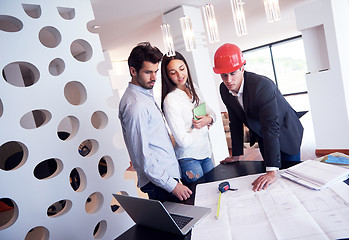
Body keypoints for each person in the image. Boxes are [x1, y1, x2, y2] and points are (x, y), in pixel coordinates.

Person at [212, 43, 304, 191]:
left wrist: (272, 170)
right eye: (224, 75)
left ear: (242, 68)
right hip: (263, 134)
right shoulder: (224, 89)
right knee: (271, 183)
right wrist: (236, 154)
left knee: (291, 177)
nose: (228, 80)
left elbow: (271, 127)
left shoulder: (262, 85)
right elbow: (234, 120)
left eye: (233, 73)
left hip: (286, 132)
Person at [118, 42, 192, 202]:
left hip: (164, 179)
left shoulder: (144, 96)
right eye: (148, 72)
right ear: (133, 71)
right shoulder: (135, 106)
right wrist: (172, 185)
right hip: (161, 184)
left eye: (156, 72)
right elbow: (143, 155)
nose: (154, 78)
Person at [161, 51, 216, 185]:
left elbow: (212, 113)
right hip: (189, 159)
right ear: (167, 75)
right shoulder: (171, 100)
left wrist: (209, 120)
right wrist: (204, 126)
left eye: (182, 69)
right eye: (173, 73)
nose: (180, 75)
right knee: (201, 201)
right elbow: (183, 141)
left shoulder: (193, 88)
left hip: (206, 153)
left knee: (216, 194)